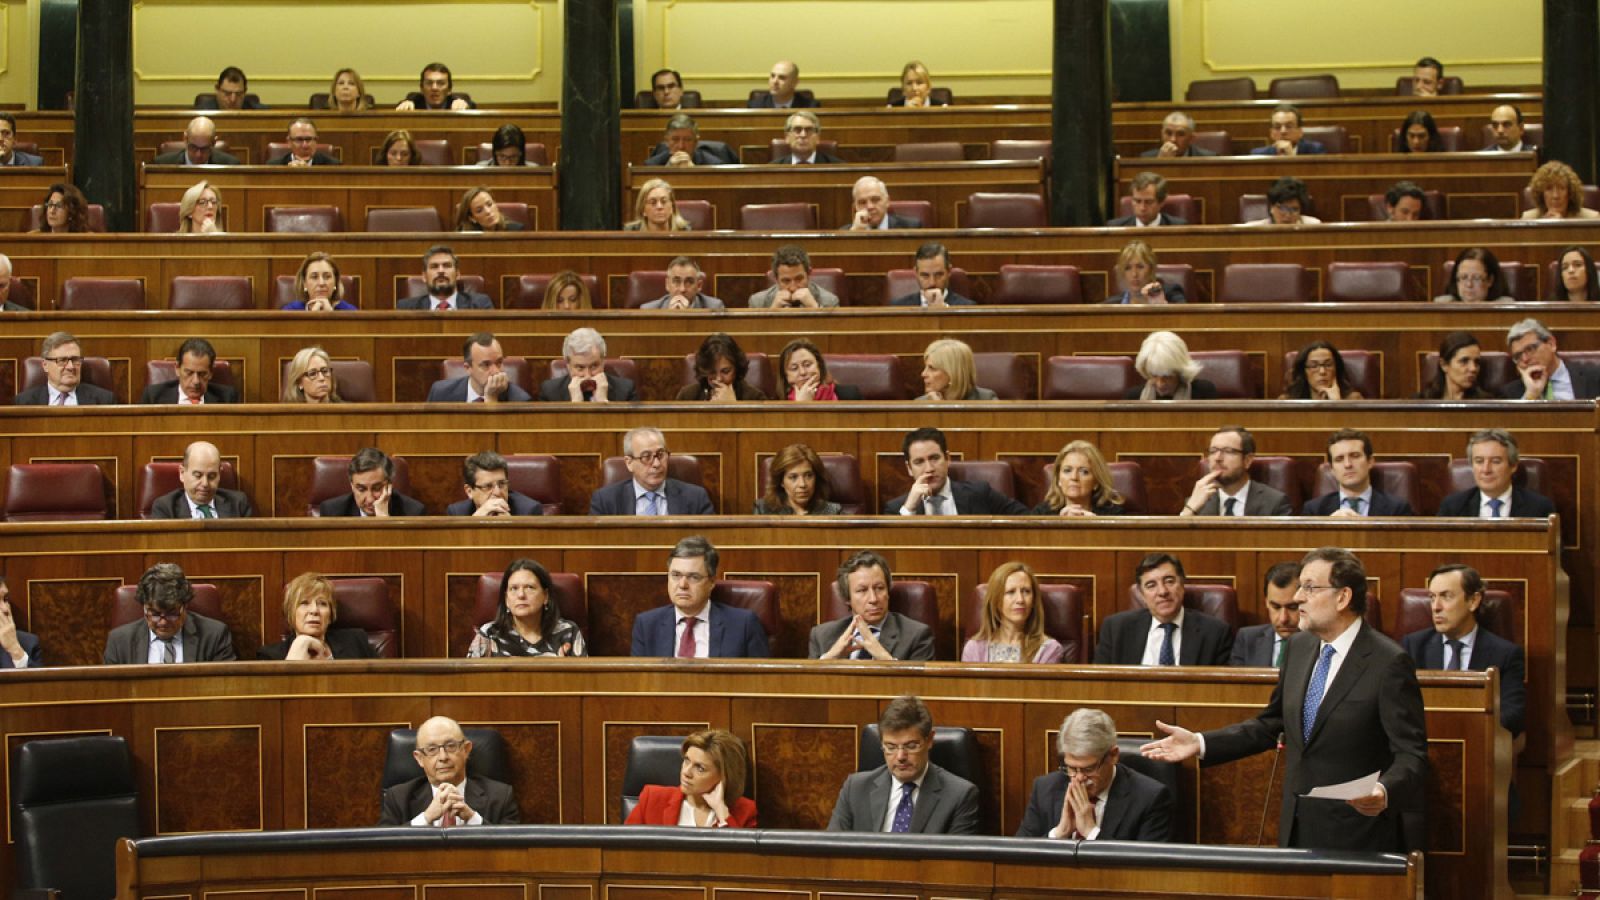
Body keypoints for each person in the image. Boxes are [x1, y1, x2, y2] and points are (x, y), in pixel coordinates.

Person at [1141, 547, 1429, 853]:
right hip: (1296, 828)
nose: (1299, 597)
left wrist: (1384, 790)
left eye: (1309, 587)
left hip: (1358, 835)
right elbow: (1272, 724)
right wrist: (1200, 742)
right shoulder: (1299, 647)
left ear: (1343, 597)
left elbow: (1411, 754)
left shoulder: (1388, 662)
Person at [826, 695, 979, 834]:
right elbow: (832, 849)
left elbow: (956, 856)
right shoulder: (855, 789)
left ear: (929, 740)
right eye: (891, 747)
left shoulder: (959, 796)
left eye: (911, 746)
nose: (900, 757)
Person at [1402, 563, 1525, 735]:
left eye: (1446, 596)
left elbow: (1514, 715)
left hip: (1478, 740)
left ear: (1473, 601)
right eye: (1432, 597)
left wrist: (1466, 728)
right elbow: (1399, 704)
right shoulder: (1413, 646)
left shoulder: (1505, 654)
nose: (1436, 607)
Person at [1017, 708, 1173, 840]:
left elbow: (1146, 865)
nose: (1079, 778)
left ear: (1113, 755)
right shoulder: (1044, 789)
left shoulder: (1149, 798)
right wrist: (1059, 833)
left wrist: (1092, 833)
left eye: (1088, 769)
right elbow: (1017, 857)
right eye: (1071, 768)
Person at [632, 536, 769, 657]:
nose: (682, 585)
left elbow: (762, 677)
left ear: (711, 582)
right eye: (676, 575)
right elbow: (638, 677)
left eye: (693, 577)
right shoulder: (647, 625)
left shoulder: (743, 625)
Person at [377, 716, 520, 826]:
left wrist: (472, 818)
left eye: (451, 746)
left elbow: (512, 847)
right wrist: (426, 818)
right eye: (432, 749)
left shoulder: (500, 797)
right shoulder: (398, 798)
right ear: (419, 758)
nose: (443, 757)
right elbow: (382, 847)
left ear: (466, 750)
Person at [1095, 553, 1233, 666]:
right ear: (1142, 594)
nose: (1162, 591)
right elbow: (1100, 683)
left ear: (1182, 585)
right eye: (1151, 585)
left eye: (1169, 581)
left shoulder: (1215, 633)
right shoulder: (1116, 629)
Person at [810, 551, 935, 661]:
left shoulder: (916, 636)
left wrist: (886, 660)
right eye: (862, 590)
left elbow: (919, 681)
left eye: (879, 588)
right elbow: (807, 680)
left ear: (888, 592)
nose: (873, 599)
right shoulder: (822, 636)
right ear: (847, 598)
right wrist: (828, 659)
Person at [103, 563, 237, 664]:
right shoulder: (120, 642)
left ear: (185, 606)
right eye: (155, 614)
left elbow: (225, 686)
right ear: (144, 608)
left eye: (172, 614)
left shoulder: (214, 636)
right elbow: (111, 689)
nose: (163, 622)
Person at [625, 729, 757, 827]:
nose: (686, 772)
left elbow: (740, 855)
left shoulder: (745, 812)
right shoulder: (652, 799)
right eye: (687, 760)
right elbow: (625, 850)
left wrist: (722, 812)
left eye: (700, 768)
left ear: (724, 776)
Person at [885, 426, 1028, 515]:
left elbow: (1026, 520)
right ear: (909, 468)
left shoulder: (979, 494)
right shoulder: (895, 509)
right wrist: (909, 509)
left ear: (947, 458)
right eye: (919, 462)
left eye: (934, 458)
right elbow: (891, 550)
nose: (929, 468)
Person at [467, 558, 586, 657]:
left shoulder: (568, 633)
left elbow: (584, 677)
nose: (521, 595)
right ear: (506, 599)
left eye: (529, 587)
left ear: (545, 596)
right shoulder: (489, 634)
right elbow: (470, 677)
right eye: (514, 588)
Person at [589, 427, 715, 515]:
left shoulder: (696, 497)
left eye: (660, 454)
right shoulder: (605, 501)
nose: (656, 464)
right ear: (629, 463)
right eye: (646, 457)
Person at [961, 561, 1068, 663]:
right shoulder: (974, 648)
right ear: (996, 600)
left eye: (1026, 591)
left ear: (1034, 600)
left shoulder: (1049, 650)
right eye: (1011, 592)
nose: (1020, 600)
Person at [256, 572, 378, 661]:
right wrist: (300, 646)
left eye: (322, 604)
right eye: (304, 603)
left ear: (331, 615)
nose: (314, 611)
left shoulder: (356, 642)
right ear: (291, 613)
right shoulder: (270, 656)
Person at [1436, 428, 1556, 518]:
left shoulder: (1539, 508)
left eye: (1495, 461)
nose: (1486, 470)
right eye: (1479, 461)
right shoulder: (1452, 507)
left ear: (1513, 465)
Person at [1178, 425, 1294, 516]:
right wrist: (1189, 509)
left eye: (1228, 451)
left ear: (1247, 460)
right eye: (1213, 451)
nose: (1217, 458)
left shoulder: (1275, 503)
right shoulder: (1197, 502)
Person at [1301, 429, 1414, 516]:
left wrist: (1363, 530)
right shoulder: (1314, 510)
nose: (1347, 464)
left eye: (1355, 456)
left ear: (1370, 461)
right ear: (1332, 469)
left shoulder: (1397, 509)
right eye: (1339, 459)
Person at [148, 440, 254, 519]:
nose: (205, 483)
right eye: (198, 476)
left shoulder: (238, 504)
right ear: (182, 473)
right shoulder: (166, 508)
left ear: (219, 474)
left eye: (211, 476)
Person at [1501, 318, 1600, 399]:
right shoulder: (1511, 393)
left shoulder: (1594, 376)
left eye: (1530, 349)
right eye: (1518, 356)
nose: (1525, 359)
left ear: (1551, 344)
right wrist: (1531, 395)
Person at [317, 447, 427, 517]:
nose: (370, 499)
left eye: (377, 488)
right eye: (361, 489)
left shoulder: (413, 512)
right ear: (352, 486)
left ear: (389, 485)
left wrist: (383, 519)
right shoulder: (332, 511)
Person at [14, 331, 116, 405]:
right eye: (62, 360)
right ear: (45, 365)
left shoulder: (104, 400)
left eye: (75, 360)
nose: (70, 367)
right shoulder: (24, 402)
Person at [1230, 562, 1302, 668]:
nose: (1283, 619)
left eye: (1292, 607)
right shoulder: (1247, 639)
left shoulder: (1320, 642)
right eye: (1276, 607)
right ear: (1266, 602)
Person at [427, 333, 531, 403]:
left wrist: (491, 399)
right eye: (486, 365)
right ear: (468, 368)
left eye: (499, 362)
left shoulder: (519, 400)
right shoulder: (440, 393)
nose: (496, 371)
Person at [538, 327, 637, 402]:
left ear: (603, 362)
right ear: (568, 365)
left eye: (594, 366)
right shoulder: (550, 392)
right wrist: (575, 405)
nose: (588, 375)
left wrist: (603, 403)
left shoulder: (626, 391)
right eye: (580, 368)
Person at [1032, 440, 1125, 517]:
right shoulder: (1041, 514)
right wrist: (1059, 523)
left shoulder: (1113, 515)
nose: (1074, 477)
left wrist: (1096, 525)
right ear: (1058, 479)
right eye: (1067, 470)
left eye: (1084, 472)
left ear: (1096, 482)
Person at [139, 338, 240, 405]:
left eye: (202, 374)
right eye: (189, 373)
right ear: (177, 369)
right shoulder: (153, 396)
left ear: (211, 373)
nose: (196, 381)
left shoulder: (228, 398)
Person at [1123, 330, 1217, 399]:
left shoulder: (1204, 393)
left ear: (1180, 371)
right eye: (1154, 376)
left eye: (1167, 377)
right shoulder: (1134, 397)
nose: (1160, 384)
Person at [447, 452, 544, 517]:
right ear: (469, 491)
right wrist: (474, 523)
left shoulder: (529, 511)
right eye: (487, 486)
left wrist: (511, 526)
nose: (497, 492)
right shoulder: (457, 513)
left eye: (502, 484)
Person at [753, 443, 841, 515]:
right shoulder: (763, 510)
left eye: (808, 475)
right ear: (781, 482)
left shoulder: (833, 512)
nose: (802, 484)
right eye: (793, 477)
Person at [398, 246, 494, 310]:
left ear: (457, 274)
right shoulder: (406, 308)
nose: (441, 271)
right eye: (434, 266)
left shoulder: (480, 304)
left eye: (447, 266)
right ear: (424, 276)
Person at [677, 333, 765, 400]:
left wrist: (734, 406)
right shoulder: (687, 396)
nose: (718, 379)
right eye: (712, 372)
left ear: (736, 369)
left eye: (725, 371)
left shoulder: (755, 397)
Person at [747, 245, 841, 308]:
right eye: (786, 281)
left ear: (808, 274)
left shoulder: (829, 301)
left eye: (799, 279)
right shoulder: (758, 302)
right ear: (776, 278)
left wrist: (814, 308)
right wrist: (772, 313)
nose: (793, 287)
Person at [1414, 331, 1493, 400]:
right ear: (1444, 365)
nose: (1473, 368)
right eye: (1464, 361)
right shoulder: (1421, 402)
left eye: (1477, 362)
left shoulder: (1487, 404)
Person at [891, 243, 975, 308]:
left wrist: (945, 311)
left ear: (949, 271)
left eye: (938, 275)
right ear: (916, 273)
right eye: (925, 275)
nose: (932, 283)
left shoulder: (968, 308)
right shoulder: (897, 307)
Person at [778, 339, 861, 401]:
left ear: (819, 366)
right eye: (794, 368)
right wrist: (801, 405)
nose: (803, 372)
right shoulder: (777, 402)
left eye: (807, 365)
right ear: (786, 376)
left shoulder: (850, 395)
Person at [1280, 340, 1365, 400]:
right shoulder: (1287, 401)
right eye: (1314, 366)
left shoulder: (1354, 400)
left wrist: (1337, 403)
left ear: (1336, 368)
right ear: (1304, 371)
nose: (1322, 371)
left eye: (1328, 365)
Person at [1105, 240, 1184, 304]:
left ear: (1151, 269)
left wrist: (1161, 307)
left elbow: (1183, 317)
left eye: (1140, 267)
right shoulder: (1110, 305)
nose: (1134, 274)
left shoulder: (1172, 294)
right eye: (1127, 268)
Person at [644, 114, 737, 166]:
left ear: (696, 142)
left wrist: (694, 171)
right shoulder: (651, 166)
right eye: (675, 139)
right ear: (667, 141)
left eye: (687, 140)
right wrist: (668, 169)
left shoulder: (714, 165)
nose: (681, 146)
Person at [917, 338, 993, 400]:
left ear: (953, 373)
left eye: (932, 368)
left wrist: (940, 408)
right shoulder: (919, 403)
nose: (923, 374)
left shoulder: (987, 400)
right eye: (925, 367)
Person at [282, 251, 357, 311]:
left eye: (327, 277)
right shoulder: (290, 312)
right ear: (304, 283)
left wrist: (331, 317)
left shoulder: (350, 312)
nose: (321, 283)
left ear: (335, 282)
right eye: (314, 277)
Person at [1522, 161, 1599, 220]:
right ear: (1541, 194)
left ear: (1570, 193)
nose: (1555, 196)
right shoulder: (1528, 219)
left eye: (1561, 188)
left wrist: (1562, 225)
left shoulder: (1592, 219)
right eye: (1549, 189)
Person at [1434, 247, 1513, 303]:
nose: (1469, 285)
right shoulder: (1442, 306)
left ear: (1490, 280)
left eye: (1476, 278)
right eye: (1463, 277)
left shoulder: (1505, 308)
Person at [1108, 172, 1187, 227]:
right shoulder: (1115, 227)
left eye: (1148, 202)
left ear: (1161, 202)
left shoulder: (1179, 227)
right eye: (1137, 201)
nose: (1142, 208)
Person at [644, 257, 726, 310]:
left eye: (689, 282)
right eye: (676, 281)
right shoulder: (649, 310)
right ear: (667, 284)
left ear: (699, 286)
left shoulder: (715, 307)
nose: (682, 289)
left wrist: (689, 316)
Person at [845, 176, 920, 230]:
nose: (870, 207)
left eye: (875, 200)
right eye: (862, 202)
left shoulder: (911, 227)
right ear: (856, 207)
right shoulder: (846, 231)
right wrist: (855, 234)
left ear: (887, 201)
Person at [1249, 104, 1326, 156]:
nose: (1283, 131)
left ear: (1300, 132)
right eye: (1277, 127)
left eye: (1289, 126)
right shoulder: (1259, 155)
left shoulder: (1315, 151)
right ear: (1271, 133)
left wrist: (1291, 158)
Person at [0, 577, 42, 669]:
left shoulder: (29, 644)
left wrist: (15, 650)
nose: (5, 609)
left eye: (5, 599)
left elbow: (38, 679)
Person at [396, 63, 475, 110]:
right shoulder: (414, 102)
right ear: (421, 89)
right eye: (429, 83)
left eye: (441, 83)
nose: (434, 88)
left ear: (449, 90)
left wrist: (465, 105)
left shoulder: (455, 102)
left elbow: (472, 105)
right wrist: (404, 106)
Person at [624, 178, 692, 232]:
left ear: (672, 207)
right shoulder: (631, 233)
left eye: (664, 201)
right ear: (643, 210)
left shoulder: (684, 231)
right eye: (653, 202)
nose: (659, 207)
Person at [772, 110, 841, 164]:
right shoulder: (774, 169)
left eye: (809, 130)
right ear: (787, 137)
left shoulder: (838, 168)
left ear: (818, 137)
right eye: (797, 130)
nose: (803, 135)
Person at [1248, 176, 1321, 225]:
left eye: (1294, 209)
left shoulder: (1314, 226)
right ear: (1271, 207)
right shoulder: (1254, 231)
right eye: (1282, 208)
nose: (1287, 215)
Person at [1141, 111, 1215, 158]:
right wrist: (1160, 163)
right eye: (1168, 133)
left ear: (1191, 138)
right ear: (1162, 134)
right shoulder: (1146, 158)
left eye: (1180, 134)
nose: (1173, 139)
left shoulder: (1208, 158)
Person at [267, 118, 340, 166]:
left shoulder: (333, 166)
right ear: (289, 142)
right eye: (299, 139)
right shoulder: (274, 166)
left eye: (309, 139)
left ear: (316, 141)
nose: (305, 145)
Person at [751, 60, 817, 109]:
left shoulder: (810, 107)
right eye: (772, 76)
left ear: (795, 82)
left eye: (781, 78)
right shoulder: (755, 106)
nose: (775, 81)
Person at [455, 186, 524, 232]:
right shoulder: (464, 237)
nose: (488, 211)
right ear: (472, 218)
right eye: (479, 210)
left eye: (489, 204)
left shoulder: (516, 231)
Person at [196, 67, 265, 111]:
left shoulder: (255, 111)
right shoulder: (202, 112)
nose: (233, 99)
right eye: (227, 93)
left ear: (245, 92)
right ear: (217, 90)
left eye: (238, 94)